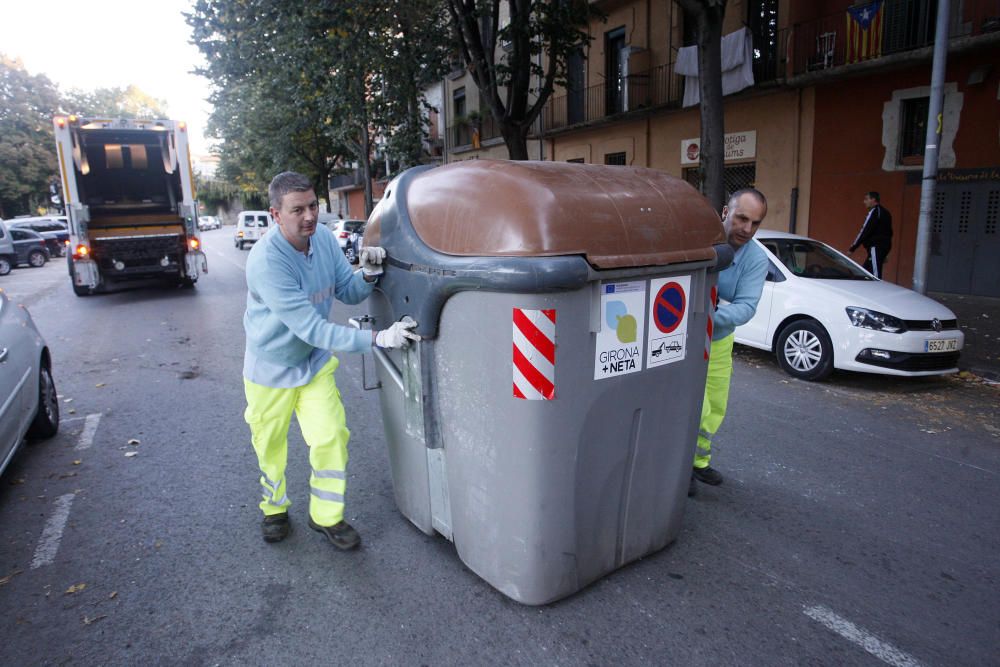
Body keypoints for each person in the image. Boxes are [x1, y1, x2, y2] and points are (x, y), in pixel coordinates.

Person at [243, 171, 419, 549]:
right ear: (275, 215)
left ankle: (326, 516)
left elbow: (347, 291)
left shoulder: (322, 239)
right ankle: (274, 508)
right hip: (271, 367)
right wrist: (378, 338)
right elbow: (313, 328)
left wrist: (368, 274)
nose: (308, 216)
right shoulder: (267, 262)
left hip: (313, 363)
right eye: (297, 210)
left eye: (312, 206)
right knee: (270, 444)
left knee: (330, 437)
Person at [691, 188, 769, 496]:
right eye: (742, 218)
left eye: (755, 223)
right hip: (684, 340)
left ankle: (698, 462)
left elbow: (746, 308)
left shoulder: (756, 259)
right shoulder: (699, 241)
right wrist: (719, 306)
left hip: (720, 340)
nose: (747, 229)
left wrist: (707, 311)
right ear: (726, 212)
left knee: (715, 406)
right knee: (692, 406)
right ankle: (677, 467)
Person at [850, 191, 893, 279]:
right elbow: (889, 232)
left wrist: (852, 248)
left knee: (875, 276)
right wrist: (885, 251)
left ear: (873, 200)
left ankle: (878, 292)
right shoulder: (885, 212)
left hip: (876, 247)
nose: (864, 202)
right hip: (881, 247)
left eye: (866, 199)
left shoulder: (874, 213)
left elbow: (864, 231)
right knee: (864, 274)